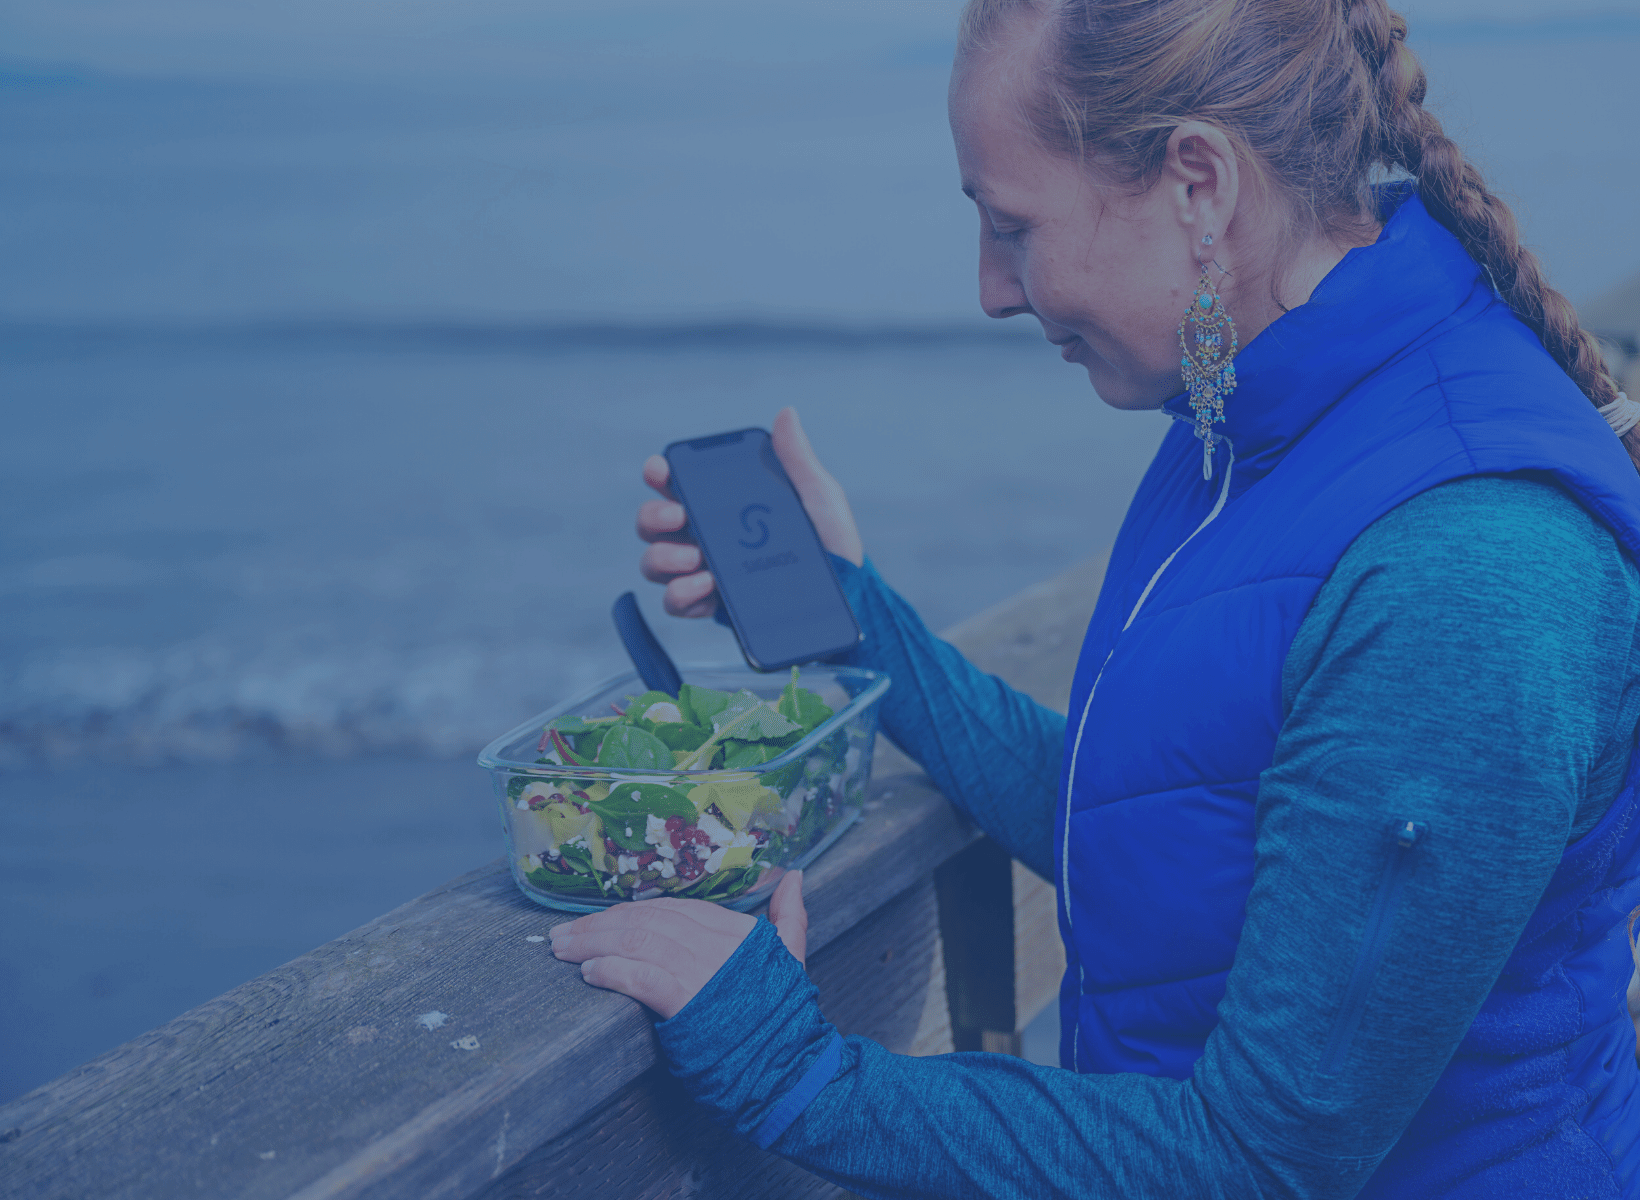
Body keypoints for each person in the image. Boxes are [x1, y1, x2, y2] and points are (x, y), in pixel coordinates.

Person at [548, 0, 1640, 1194]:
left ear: (1196, 184)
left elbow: (1264, 1162)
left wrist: (793, 1073)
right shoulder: (1247, 414)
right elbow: (1150, 815)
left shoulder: (1464, 577)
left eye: (1009, 225)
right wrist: (855, 621)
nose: (989, 291)